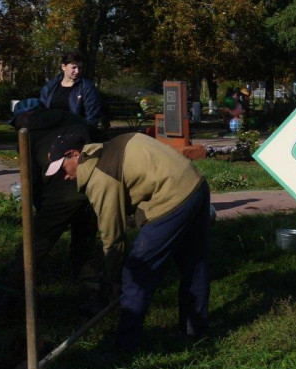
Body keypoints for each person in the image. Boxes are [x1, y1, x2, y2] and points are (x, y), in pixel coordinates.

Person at [45, 130, 211, 353]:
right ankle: (194, 332)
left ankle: (124, 348)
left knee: (136, 273)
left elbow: (112, 235)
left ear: (75, 154)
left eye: (62, 169)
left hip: (172, 199)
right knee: (194, 264)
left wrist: (115, 278)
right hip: (196, 185)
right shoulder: (111, 146)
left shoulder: (100, 177)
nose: (64, 177)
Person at [0, 99, 103, 317]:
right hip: (93, 187)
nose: (15, 129)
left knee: (35, 245)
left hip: (61, 193)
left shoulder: (27, 133)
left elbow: (30, 178)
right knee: (85, 242)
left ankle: (1, 299)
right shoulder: (74, 119)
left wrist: (40, 208)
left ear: (25, 116)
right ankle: (96, 293)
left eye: (15, 123)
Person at [40, 50, 102, 127]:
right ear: (63, 67)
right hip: (51, 129)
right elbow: (42, 110)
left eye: (80, 67)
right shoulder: (50, 86)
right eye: (74, 67)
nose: (77, 71)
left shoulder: (87, 87)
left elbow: (92, 116)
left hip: (76, 130)